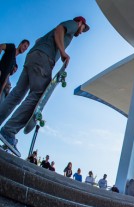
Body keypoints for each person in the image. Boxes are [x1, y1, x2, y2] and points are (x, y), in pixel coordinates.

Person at [0, 17, 90, 157]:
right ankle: (8, 131)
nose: (82, 32)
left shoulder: (52, 34)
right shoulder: (73, 25)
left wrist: (55, 49)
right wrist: (62, 52)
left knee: (17, 94)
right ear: (81, 23)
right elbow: (60, 28)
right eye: (84, 28)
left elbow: (38, 41)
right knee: (38, 94)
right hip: (43, 59)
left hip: (33, 56)